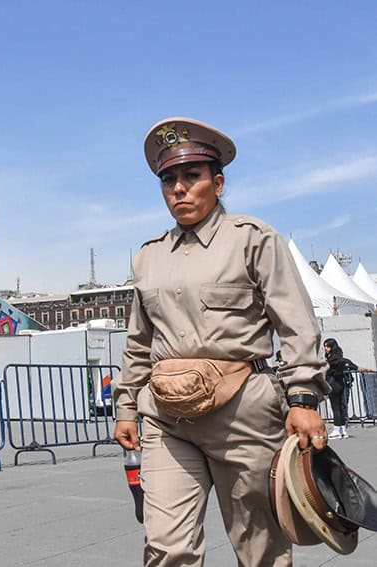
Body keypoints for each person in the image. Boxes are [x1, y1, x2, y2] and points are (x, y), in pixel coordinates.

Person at [113, 117, 330, 567]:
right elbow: (139, 341)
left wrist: (303, 398)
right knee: (166, 548)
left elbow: (296, 325)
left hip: (242, 417)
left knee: (261, 550)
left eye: (192, 176)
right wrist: (126, 406)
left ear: (218, 181)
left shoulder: (253, 240)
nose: (179, 189)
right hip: (167, 421)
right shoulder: (148, 256)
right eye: (168, 179)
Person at [323, 338, 371, 439]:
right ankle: (342, 430)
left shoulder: (331, 360)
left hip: (333, 384)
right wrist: (368, 369)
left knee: (335, 407)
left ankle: (336, 430)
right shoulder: (343, 359)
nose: (325, 349)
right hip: (341, 384)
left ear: (332, 347)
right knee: (341, 407)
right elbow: (355, 367)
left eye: (327, 346)